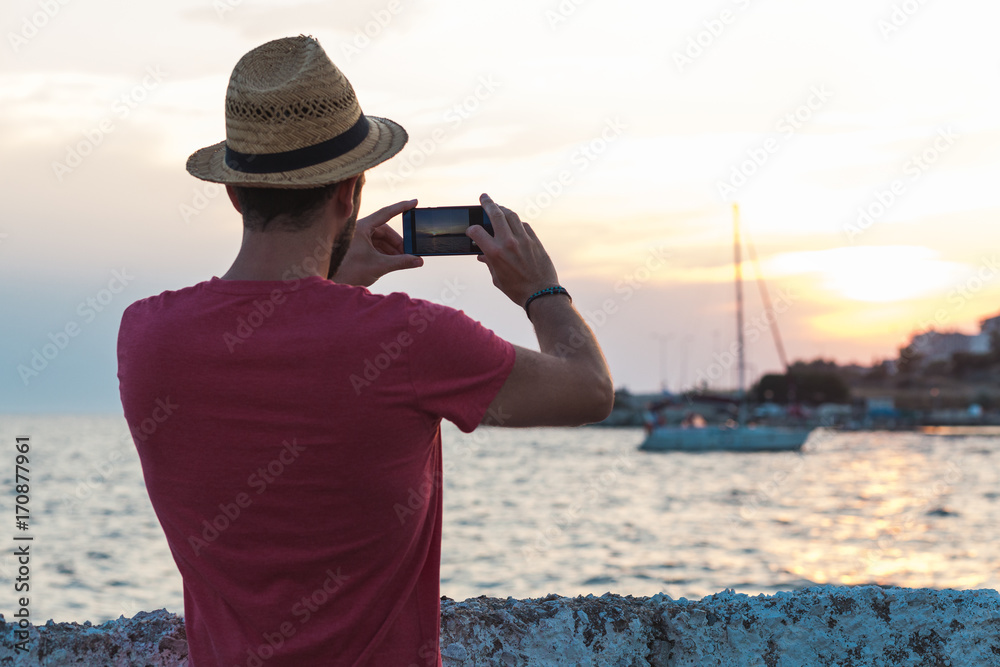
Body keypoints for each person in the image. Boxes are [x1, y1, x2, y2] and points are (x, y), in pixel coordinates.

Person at [117, 35, 613, 666]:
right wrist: (540, 288)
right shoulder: (411, 339)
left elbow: (284, 357)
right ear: (350, 192)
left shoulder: (147, 335)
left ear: (235, 193)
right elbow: (590, 390)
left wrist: (330, 284)